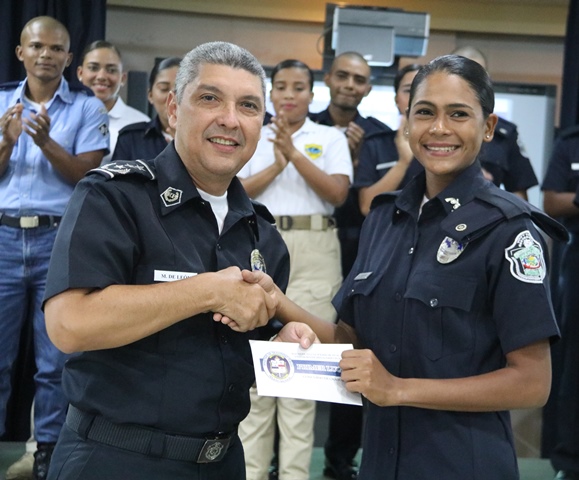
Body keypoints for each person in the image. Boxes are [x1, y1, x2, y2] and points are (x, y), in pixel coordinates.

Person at [226, 54, 566, 480]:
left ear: (488, 127)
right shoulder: (385, 218)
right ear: (406, 124)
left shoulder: (510, 230)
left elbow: (532, 383)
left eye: (458, 114)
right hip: (381, 461)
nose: (439, 128)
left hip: (462, 465)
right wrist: (278, 302)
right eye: (424, 112)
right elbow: (352, 340)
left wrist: (398, 389)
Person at [42, 41, 317, 480]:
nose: (230, 119)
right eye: (210, 98)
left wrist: (279, 342)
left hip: (222, 462)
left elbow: (231, 354)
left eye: (248, 106)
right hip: (116, 461)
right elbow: (69, 325)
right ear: (173, 109)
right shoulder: (115, 198)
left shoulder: (263, 235)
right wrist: (207, 291)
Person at [0, 16, 109, 480]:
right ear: (21, 52)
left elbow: (86, 175)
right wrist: (6, 143)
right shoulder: (1, 102)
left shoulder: (87, 108)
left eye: (56, 48)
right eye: (37, 46)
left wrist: (45, 142)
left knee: (54, 357)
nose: (46, 54)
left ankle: (46, 449)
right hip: (3, 237)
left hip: (58, 239)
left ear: (69, 57)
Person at [237, 59, 352, 480]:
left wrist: (294, 155)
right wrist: (276, 164)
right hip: (260, 242)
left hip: (315, 246)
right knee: (256, 376)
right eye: (281, 87)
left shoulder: (329, 136)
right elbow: (234, 190)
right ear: (270, 93)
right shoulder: (249, 131)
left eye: (299, 87)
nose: (289, 95)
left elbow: (338, 193)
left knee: (303, 374)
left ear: (312, 94)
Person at [308, 51, 390, 480]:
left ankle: (340, 459)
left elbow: (374, 198)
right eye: (343, 76)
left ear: (368, 87)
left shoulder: (380, 135)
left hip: (365, 249)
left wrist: (356, 160)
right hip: (314, 244)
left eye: (359, 79)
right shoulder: (306, 125)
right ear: (328, 78)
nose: (350, 85)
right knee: (300, 339)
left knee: (351, 348)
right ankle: (281, 454)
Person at [451, 45, 538, 200]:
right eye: (461, 74)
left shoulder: (504, 134)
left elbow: (519, 194)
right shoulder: (433, 127)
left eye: (476, 75)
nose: (468, 82)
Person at [542, 126, 579, 480]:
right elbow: (551, 203)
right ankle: (570, 461)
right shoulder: (570, 142)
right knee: (574, 360)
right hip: (578, 256)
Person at [356, 63, 424, 216]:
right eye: (408, 91)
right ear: (396, 99)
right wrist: (403, 162)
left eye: (423, 90)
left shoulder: (445, 145)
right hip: (386, 227)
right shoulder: (375, 144)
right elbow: (366, 206)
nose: (415, 97)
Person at [77, 40, 150, 164]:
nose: (101, 76)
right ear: (80, 73)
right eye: (93, 68)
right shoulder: (63, 115)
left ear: (123, 78)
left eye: (111, 70)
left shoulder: (141, 124)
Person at [112, 56, 181, 161]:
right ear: (150, 95)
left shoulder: (204, 138)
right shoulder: (131, 138)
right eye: (164, 89)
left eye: (179, 89)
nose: (173, 97)